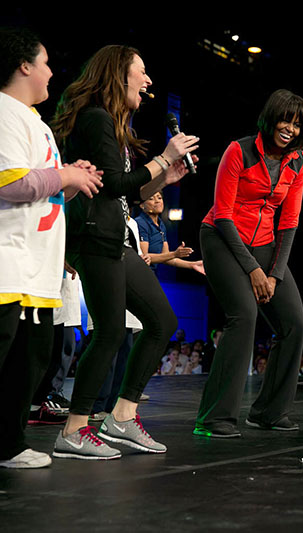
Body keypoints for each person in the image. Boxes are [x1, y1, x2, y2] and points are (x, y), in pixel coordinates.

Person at [50, 44, 198, 459]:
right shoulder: (95, 118)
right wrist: (162, 158)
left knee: (162, 321)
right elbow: (113, 184)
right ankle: (74, 430)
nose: (148, 81)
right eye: (142, 72)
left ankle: (122, 415)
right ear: (119, 74)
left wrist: (163, 178)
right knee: (111, 332)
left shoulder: (112, 125)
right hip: (94, 238)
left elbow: (124, 196)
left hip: (114, 235)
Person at [0, 28, 102, 468]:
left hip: (36, 271)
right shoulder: (4, 111)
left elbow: (45, 190)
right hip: (9, 262)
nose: (50, 72)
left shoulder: (35, 121)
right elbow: (13, 183)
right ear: (24, 65)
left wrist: (70, 178)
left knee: (29, 363)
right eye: (44, 62)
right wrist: (65, 176)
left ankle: (7, 443)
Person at [193, 89, 303, 438]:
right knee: (243, 316)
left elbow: (289, 222)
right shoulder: (239, 150)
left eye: (297, 123)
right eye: (285, 119)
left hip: (266, 244)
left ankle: (269, 412)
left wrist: (273, 273)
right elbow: (224, 215)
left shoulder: (298, 162)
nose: (289, 128)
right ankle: (214, 418)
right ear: (271, 117)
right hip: (221, 237)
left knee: (294, 325)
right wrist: (254, 271)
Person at [136, 191, 204, 274]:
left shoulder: (161, 225)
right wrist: (174, 254)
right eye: (151, 199)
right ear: (142, 205)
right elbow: (144, 258)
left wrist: (193, 264)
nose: (157, 201)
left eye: (159, 198)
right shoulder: (140, 223)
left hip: (151, 273)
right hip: (139, 272)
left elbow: (166, 257)